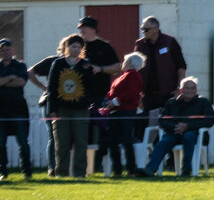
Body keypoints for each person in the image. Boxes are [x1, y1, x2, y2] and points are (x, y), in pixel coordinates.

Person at [43, 35, 96, 177]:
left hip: (80, 109)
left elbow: (92, 85)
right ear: (67, 47)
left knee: (81, 142)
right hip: (61, 109)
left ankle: (79, 172)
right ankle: (61, 172)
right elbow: (52, 87)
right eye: (73, 46)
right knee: (61, 142)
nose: (76, 49)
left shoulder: (85, 64)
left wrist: (87, 70)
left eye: (79, 47)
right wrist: (51, 109)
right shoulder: (58, 63)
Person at [142, 78, 214, 179]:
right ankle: (150, 169)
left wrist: (188, 126)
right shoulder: (172, 103)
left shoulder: (203, 102)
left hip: (195, 134)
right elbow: (162, 120)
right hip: (174, 133)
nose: (190, 91)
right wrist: (175, 127)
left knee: (188, 136)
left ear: (196, 90)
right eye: (187, 88)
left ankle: (186, 169)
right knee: (163, 142)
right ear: (181, 90)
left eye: (192, 88)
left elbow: (209, 121)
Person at [75, 17, 122, 176]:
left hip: (101, 96)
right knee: (84, 134)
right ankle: (86, 169)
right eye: (80, 28)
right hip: (82, 97)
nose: (81, 31)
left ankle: (103, 165)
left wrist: (99, 69)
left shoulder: (105, 46)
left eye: (84, 28)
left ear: (93, 29)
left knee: (104, 133)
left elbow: (117, 67)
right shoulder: (77, 47)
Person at [100, 52, 145, 177]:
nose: (123, 63)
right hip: (115, 111)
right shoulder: (124, 76)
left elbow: (132, 93)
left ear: (130, 63)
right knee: (113, 140)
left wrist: (114, 102)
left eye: (125, 61)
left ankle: (131, 169)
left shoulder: (133, 75)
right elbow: (113, 92)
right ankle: (117, 170)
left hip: (126, 111)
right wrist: (106, 101)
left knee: (126, 139)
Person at [0, 38, 32, 180]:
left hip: (18, 108)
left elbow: (21, 82)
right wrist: (10, 78)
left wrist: (4, 81)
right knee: (1, 144)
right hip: (1, 109)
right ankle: (3, 172)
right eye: (2, 50)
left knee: (23, 142)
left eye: (8, 49)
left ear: (12, 50)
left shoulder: (20, 65)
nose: (5, 52)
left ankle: (26, 172)